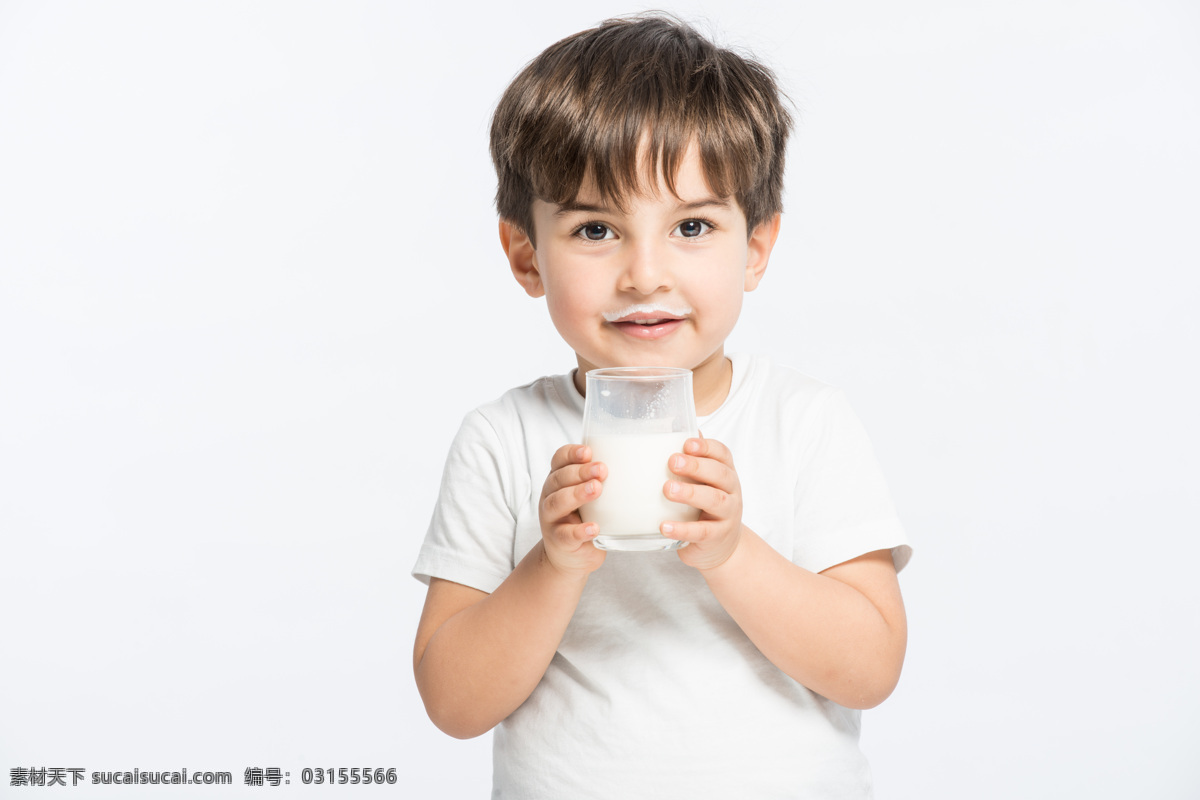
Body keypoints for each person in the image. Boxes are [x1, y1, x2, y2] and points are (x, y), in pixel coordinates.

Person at [412, 14, 912, 798]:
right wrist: (554, 564)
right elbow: (453, 700)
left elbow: (871, 667)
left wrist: (734, 552)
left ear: (755, 248)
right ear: (525, 255)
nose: (645, 274)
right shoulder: (503, 440)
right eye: (596, 228)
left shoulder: (803, 421)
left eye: (691, 226)